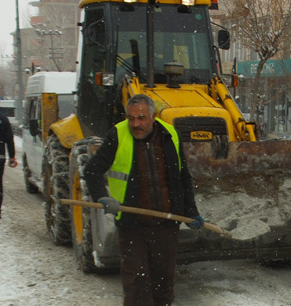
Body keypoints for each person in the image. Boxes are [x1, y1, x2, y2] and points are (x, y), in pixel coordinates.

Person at [84, 94, 204, 306]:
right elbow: (92, 169)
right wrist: (102, 196)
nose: (135, 124)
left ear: (153, 117)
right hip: (133, 226)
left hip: (166, 224)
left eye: (141, 118)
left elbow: (182, 177)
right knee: (136, 286)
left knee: (163, 286)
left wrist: (190, 211)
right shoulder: (118, 135)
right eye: (131, 118)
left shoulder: (170, 135)